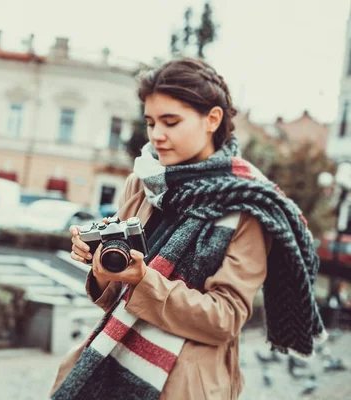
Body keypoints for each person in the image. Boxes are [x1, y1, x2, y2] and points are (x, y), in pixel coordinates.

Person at [49, 58, 326, 400]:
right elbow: (116, 298)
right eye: (150, 122)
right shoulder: (144, 182)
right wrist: (104, 264)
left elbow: (224, 318)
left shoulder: (247, 205)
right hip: (109, 361)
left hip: (183, 384)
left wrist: (143, 279)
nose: (157, 135)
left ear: (212, 119)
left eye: (171, 121)